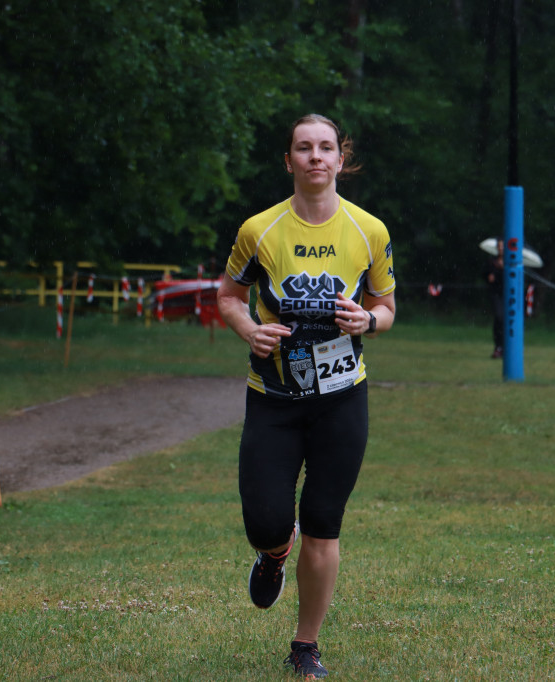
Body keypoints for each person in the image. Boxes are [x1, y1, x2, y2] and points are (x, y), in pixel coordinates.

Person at [217, 114, 396, 679]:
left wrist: (367, 319)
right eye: (303, 148)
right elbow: (228, 297)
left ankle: (305, 646)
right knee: (267, 521)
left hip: (342, 397)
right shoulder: (259, 231)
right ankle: (274, 553)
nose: (315, 157)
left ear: (340, 161)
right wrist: (250, 330)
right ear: (289, 160)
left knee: (323, 521)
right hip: (273, 397)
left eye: (325, 148)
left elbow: (388, 309)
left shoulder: (369, 230)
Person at [483, 238, 504, 358]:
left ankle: (506, 347)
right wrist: (489, 277)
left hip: (508, 294)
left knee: (507, 319)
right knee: (499, 317)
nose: (501, 248)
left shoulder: (512, 262)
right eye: (499, 246)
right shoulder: (491, 261)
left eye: (503, 246)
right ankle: (498, 346)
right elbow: (484, 274)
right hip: (496, 294)